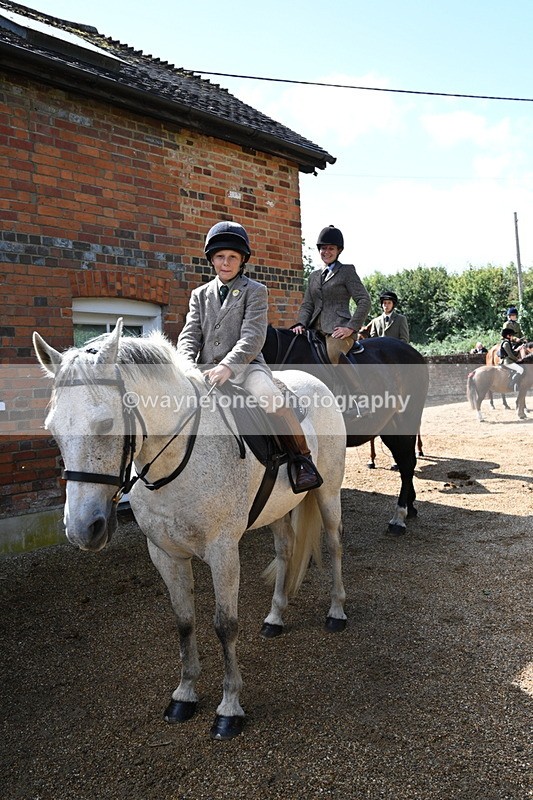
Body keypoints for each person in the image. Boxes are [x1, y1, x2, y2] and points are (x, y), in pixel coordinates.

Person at [177, 220, 321, 493]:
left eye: (232, 257)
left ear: (242, 260)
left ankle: (301, 459)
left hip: (246, 368)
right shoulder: (199, 295)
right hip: (204, 370)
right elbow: (189, 335)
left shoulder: (255, 291)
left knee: (269, 396)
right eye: (220, 257)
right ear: (211, 259)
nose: (226, 262)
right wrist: (186, 364)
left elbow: (253, 337)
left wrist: (228, 367)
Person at [292, 225, 371, 363]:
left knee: (334, 354)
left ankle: (354, 385)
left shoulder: (347, 272)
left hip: (339, 330)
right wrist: (301, 323)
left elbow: (364, 301)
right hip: (313, 329)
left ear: (338, 250)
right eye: (323, 248)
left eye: (331, 248)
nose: (326, 252)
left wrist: (350, 328)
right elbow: (307, 305)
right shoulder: (313, 276)